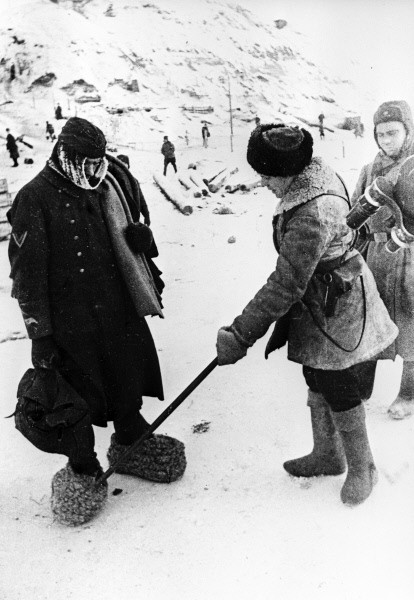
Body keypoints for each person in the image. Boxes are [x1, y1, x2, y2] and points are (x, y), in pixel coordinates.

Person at [8, 117, 186, 526]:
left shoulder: (108, 184)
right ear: (65, 155)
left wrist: (143, 241)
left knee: (127, 373)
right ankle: (83, 463)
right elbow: (26, 277)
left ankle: (129, 435)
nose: (93, 171)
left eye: (97, 162)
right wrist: (40, 335)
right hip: (70, 323)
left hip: (116, 307)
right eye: (85, 163)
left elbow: (127, 232)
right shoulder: (33, 198)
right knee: (78, 395)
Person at [216, 123, 398, 506]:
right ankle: (328, 454)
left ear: (288, 172)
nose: (263, 183)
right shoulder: (310, 178)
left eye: (267, 175)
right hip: (320, 298)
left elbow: (285, 284)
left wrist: (240, 334)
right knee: (314, 372)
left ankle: (363, 467)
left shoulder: (314, 212)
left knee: (338, 382)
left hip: (339, 304)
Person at [351, 100, 414, 420]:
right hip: (376, 258)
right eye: (380, 134)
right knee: (368, 324)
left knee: (411, 326)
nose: (387, 140)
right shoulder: (368, 172)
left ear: (408, 130)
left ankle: (408, 394)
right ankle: (361, 390)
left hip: (412, 261)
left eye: (393, 132)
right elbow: (352, 221)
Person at [117, 154, 151, 226]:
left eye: (125, 165)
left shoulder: (133, 181)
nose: (123, 168)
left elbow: (141, 199)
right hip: (118, 220)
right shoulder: (113, 182)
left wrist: (146, 215)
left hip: (133, 219)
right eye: (120, 165)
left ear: (128, 166)